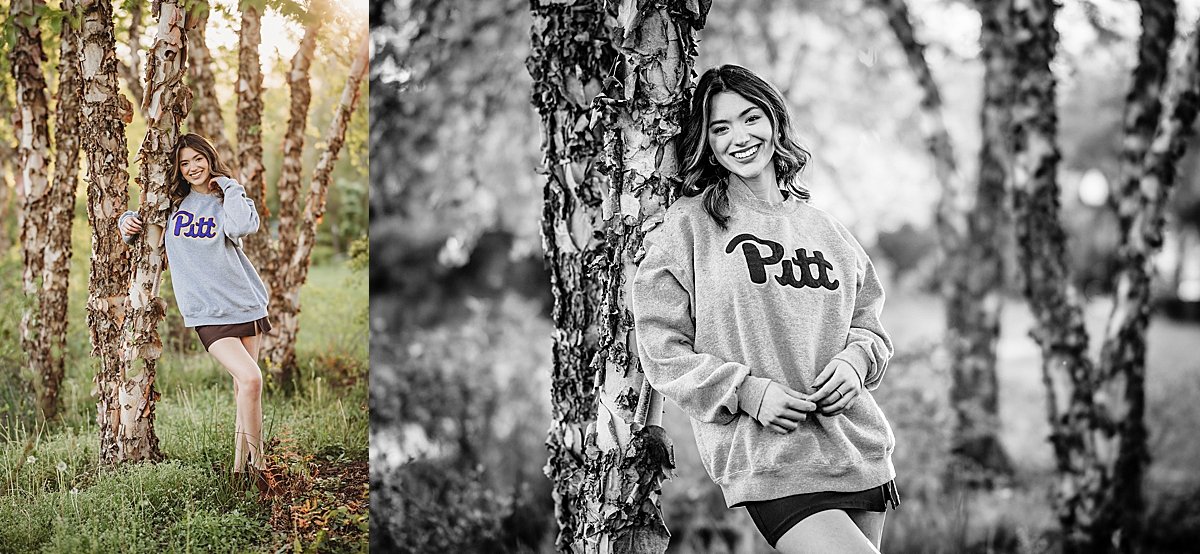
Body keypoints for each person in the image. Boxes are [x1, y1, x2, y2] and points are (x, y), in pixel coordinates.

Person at [632, 65, 898, 553]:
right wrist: (747, 392)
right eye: (720, 127)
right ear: (706, 143)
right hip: (769, 459)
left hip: (856, 448)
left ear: (774, 121)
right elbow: (662, 349)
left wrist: (856, 361)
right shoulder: (689, 228)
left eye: (750, 118)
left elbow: (870, 328)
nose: (739, 137)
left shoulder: (828, 231)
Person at [118, 133, 272, 492]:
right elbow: (139, 225)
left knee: (243, 389)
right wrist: (127, 219)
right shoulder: (172, 204)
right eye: (184, 163)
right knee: (251, 380)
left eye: (198, 159)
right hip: (206, 312)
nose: (192, 167)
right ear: (178, 169)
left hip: (245, 302)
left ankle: (240, 473)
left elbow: (243, 227)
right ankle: (261, 468)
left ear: (209, 158)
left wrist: (230, 187)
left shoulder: (226, 198)